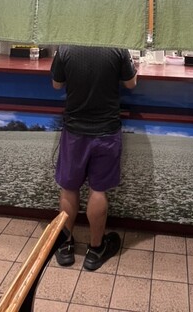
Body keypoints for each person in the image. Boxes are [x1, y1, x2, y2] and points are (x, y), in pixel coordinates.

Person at [50, 45, 137, 270]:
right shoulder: (118, 48)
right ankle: (95, 250)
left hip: (74, 130)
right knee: (98, 190)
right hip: (106, 130)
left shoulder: (65, 48)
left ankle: (65, 246)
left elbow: (57, 84)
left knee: (69, 187)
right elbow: (131, 83)